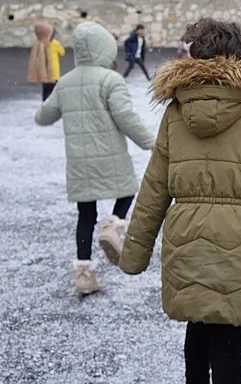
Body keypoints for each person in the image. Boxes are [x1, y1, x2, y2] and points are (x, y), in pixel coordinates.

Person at [119, 18, 241, 384]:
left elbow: (154, 187)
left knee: (196, 333)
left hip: (188, 240)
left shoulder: (176, 109)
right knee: (228, 343)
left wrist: (135, 253)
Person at [35, 22, 155, 295]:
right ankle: (113, 225)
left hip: (79, 161)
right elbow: (125, 117)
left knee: (85, 215)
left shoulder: (65, 82)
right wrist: (151, 143)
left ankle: (84, 274)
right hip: (109, 156)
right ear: (105, 49)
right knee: (128, 191)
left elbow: (45, 115)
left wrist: (41, 111)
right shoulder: (110, 79)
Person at [28, 20, 56, 101]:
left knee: (46, 88)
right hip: (51, 75)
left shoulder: (39, 44)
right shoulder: (44, 45)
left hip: (49, 75)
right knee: (49, 87)